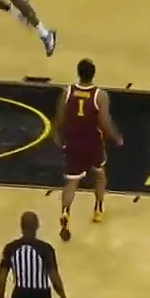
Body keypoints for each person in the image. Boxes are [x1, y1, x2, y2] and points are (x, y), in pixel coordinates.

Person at [53, 58, 123, 241]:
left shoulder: (67, 92)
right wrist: (116, 136)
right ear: (93, 73)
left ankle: (66, 212)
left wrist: (57, 135)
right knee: (100, 174)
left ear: (78, 72)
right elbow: (104, 121)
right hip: (92, 141)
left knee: (72, 182)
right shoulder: (100, 95)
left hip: (73, 141)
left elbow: (60, 118)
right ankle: (98, 208)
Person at [0, 211, 69, 298]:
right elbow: (54, 277)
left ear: (21, 226)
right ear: (37, 226)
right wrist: (62, 296)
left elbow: (2, 278)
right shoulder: (45, 249)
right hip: (41, 297)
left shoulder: (10, 248)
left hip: (20, 295)